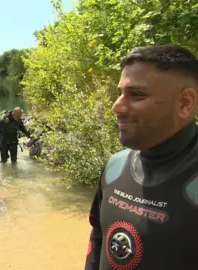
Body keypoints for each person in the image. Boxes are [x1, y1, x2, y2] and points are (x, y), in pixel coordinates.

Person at [85, 44, 198, 270]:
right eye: (120, 94)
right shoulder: (115, 166)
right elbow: (97, 240)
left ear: (185, 103)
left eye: (137, 95)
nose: (116, 107)